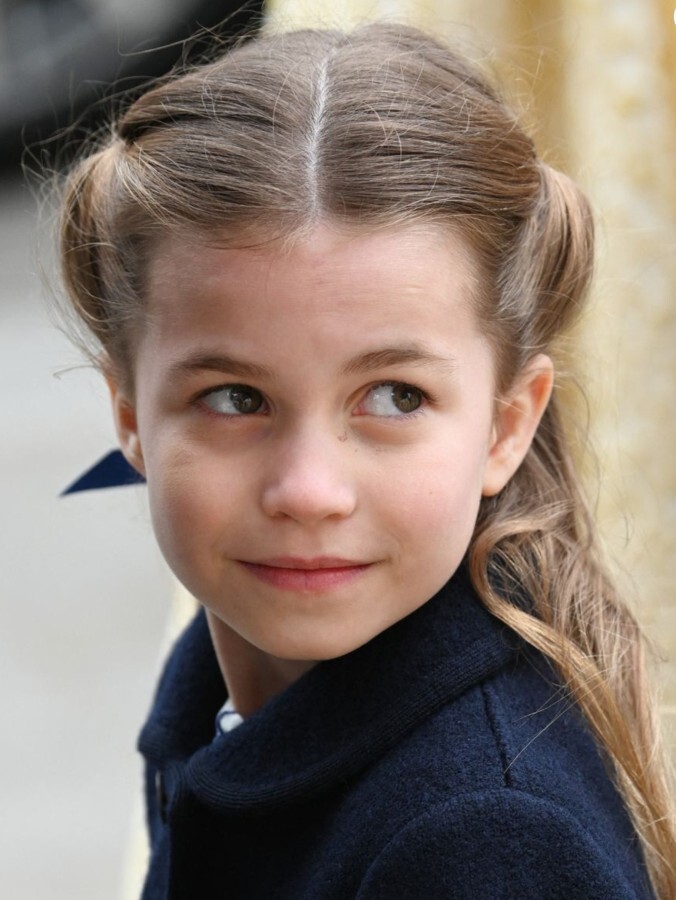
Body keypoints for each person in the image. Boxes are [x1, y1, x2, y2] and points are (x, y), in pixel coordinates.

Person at [57, 22, 675, 899]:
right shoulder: (221, 668)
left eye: (394, 397)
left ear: (506, 427)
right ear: (129, 414)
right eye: (236, 398)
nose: (308, 491)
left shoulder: (486, 841)